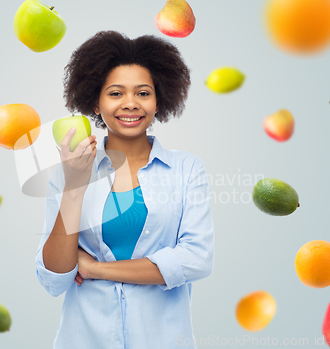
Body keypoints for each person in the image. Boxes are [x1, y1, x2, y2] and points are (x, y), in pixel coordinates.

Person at [35, 30, 215, 349]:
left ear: (159, 100)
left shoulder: (187, 169)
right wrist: (74, 187)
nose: (130, 104)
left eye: (143, 93)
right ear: (95, 100)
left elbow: (197, 260)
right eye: (116, 93)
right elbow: (53, 278)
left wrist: (97, 269)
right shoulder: (69, 172)